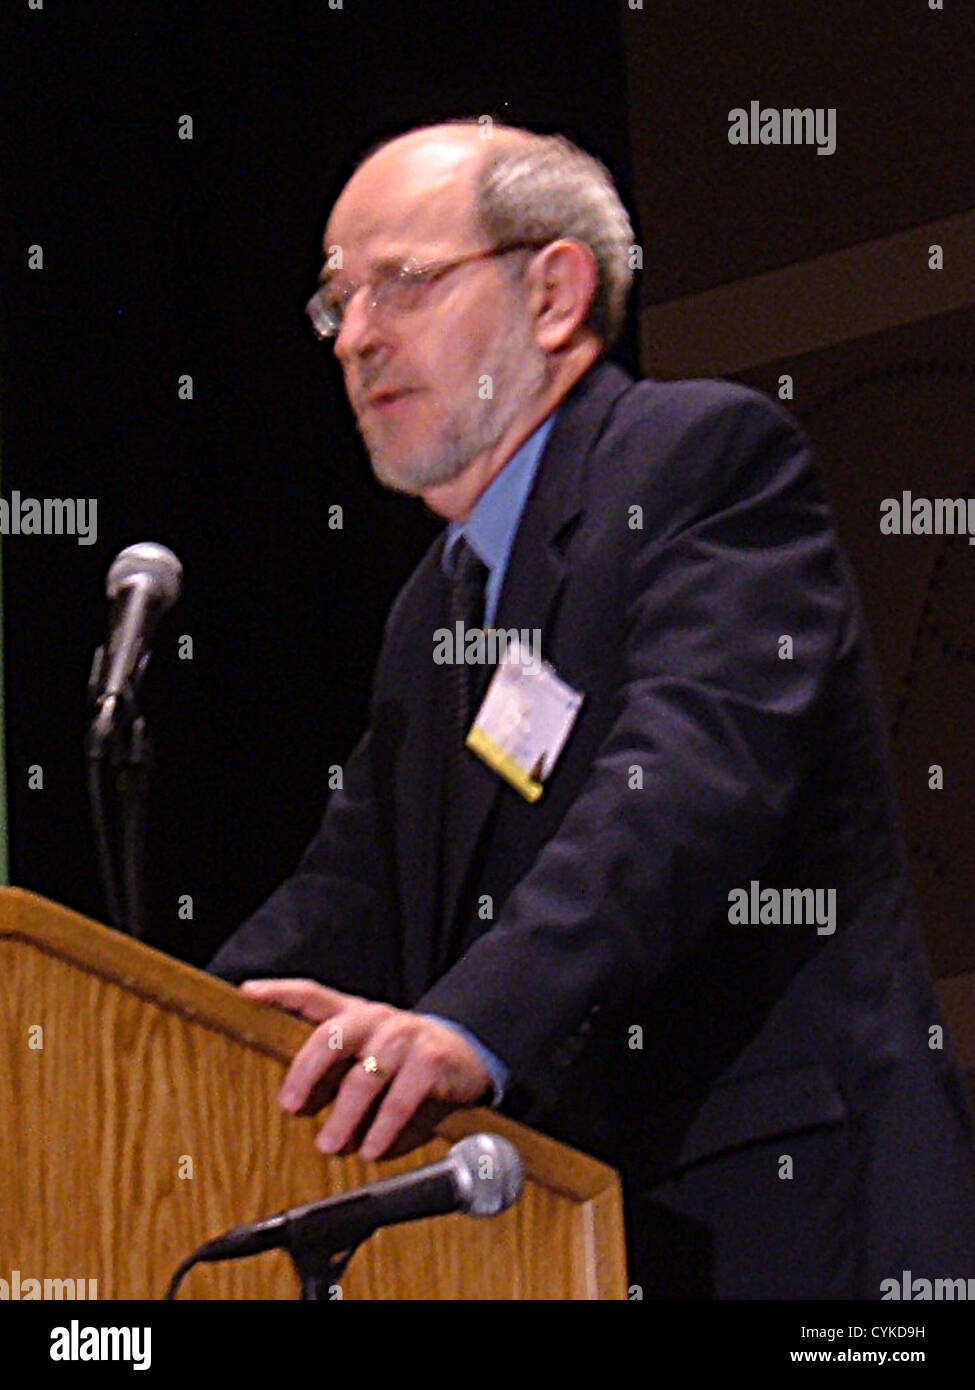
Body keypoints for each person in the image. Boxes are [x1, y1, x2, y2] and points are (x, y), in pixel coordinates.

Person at [207, 119, 975, 1297]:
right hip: (580, 1242)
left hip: (784, 1216)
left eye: (401, 284)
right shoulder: (434, 607)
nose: (356, 338)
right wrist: (161, 1033)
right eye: (335, 303)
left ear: (555, 291)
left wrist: (473, 1023)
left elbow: (683, 782)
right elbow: (346, 890)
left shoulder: (700, 459)